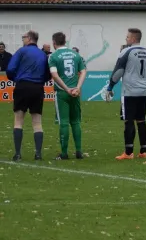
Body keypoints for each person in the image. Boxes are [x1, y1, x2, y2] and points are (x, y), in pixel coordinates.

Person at [106, 28, 146, 160]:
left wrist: (110, 86)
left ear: (133, 39)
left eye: (127, 37)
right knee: (141, 120)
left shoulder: (126, 51)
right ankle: (143, 151)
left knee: (128, 121)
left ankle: (128, 152)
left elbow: (118, 71)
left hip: (129, 91)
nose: (126, 39)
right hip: (144, 91)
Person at [6, 30, 51, 161]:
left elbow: (10, 69)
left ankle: (18, 153)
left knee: (19, 120)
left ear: (29, 38)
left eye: (23, 37)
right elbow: (48, 74)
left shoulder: (21, 51)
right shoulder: (43, 54)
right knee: (37, 122)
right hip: (37, 88)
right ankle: (38, 153)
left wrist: (17, 79)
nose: (22, 40)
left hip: (22, 86)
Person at [48, 32, 87, 160]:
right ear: (65, 41)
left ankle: (64, 153)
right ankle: (79, 151)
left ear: (54, 42)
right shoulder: (76, 55)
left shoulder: (53, 56)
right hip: (75, 93)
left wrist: (67, 89)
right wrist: (77, 88)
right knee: (76, 122)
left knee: (63, 122)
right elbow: (83, 71)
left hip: (62, 93)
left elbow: (54, 75)